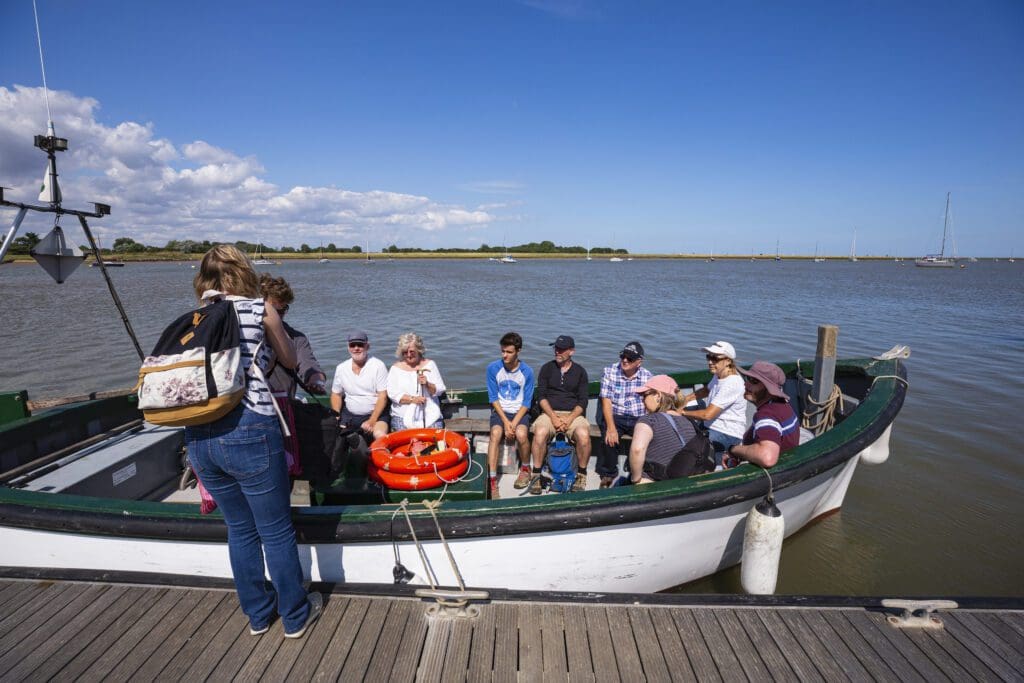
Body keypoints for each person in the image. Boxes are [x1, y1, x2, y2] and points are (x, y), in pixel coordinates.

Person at [185, 245, 321, 639]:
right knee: (275, 529)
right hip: (250, 428)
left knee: (239, 529)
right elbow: (290, 360)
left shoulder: (195, 315)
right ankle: (295, 616)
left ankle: (258, 616)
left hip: (199, 436)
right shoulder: (259, 309)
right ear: (243, 270)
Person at [529, 335, 590, 494]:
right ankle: (536, 474)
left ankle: (581, 475)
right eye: (556, 348)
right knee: (540, 433)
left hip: (573, 414)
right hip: (550, 413)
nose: (557, 351)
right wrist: (553, 417)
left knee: (583, 435)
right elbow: (541, 397)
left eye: (561, 349)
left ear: (572, 351)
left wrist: (569, 419)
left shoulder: (580, 372)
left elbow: (583, 401)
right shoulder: (547, 368)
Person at [678, 341, 746, 467]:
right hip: (712, 426)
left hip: (727, 433)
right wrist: (686, 399)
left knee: (688, 447)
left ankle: (720, 465)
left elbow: (707, 414)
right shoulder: (719, 374)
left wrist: (681, 412)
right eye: (708, 357)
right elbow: (707, 390)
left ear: (728, 361)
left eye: (715, 358)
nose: (710, 362)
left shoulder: (732, 383)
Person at [258, 274, 327, 397]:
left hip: (283, 402)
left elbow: (309, 364)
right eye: (273, 311)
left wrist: (316, 381)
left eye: (283, 309)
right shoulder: (243, 333)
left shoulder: (297, 338)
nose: (278, 316)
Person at [485, 332, 535, 499]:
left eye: (509, 352)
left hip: (519, 412)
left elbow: (527, 402)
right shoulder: (493, 368)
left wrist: (514, 423)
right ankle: (492, 480)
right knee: (496, 434)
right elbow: (493, 398)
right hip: (500, 412)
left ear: (518, 351)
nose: (504, 355)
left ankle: (526, 468)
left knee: (521, 434)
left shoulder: (527, 372)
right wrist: (506, 423)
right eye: (502, 351)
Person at [596, 341, 652, 488]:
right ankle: (609, 474)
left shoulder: (647, 376)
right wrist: (611, 428)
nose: (625, 360)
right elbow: (606, 401)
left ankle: (638, 472)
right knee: (608, 438)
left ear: (639, 362)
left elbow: (650, 403)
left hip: (638, 417)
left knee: (648, 439)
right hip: (617, 415)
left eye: (630, 358)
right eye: (623, 356)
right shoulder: (610, 371)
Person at [725, 361, 800, 468]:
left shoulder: (766, 415)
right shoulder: (783, 405)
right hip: (788, 463)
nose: (746, 384)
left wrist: (733, 450)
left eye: (754, 381)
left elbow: (767, 458)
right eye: (747, 379)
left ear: (769, 390)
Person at [627, 375, 700, 484]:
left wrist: (636, 479)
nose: (642, 400)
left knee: (618, 483)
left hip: (653, 484)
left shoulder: (649, 420)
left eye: (644, 395)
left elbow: (637, 450)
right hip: (682, 483)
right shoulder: (689, 423)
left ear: (658, 395)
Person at [330, 331, 389, 441]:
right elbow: (336, 394)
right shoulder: (341, 368)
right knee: (333, 434)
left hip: (376, 415)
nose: (356, 348)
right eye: (352, 345)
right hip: (349, 415)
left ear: (367, 346)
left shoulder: (378, 366)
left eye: (360, 345)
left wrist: (372, 420)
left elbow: (383, 396)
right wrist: (337, 414)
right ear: (348, 347)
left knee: (380, 436)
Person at [386, 332, 446, 431]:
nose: (408, 355)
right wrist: (412, 399)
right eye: (405, 352)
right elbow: (393, 394)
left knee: (435, 442)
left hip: (430, 415)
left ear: (419, 350)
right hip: (402, 416)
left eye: (412, 352)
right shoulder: (395, 368)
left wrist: (427, 384)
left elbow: (440, 390)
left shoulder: (430, 365)